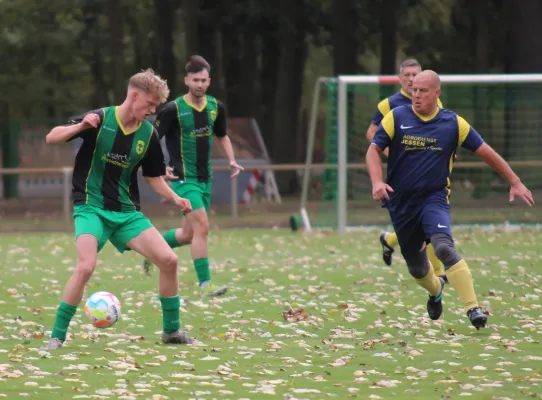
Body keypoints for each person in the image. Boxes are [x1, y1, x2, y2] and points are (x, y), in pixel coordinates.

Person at [366, 70, 534, 329]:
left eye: (423, 91)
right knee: (418, 269)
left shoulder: (453, 123)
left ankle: (473, 309)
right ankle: (435, 291)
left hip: (434, 198)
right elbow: (373, 150)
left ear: (437, 93)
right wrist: (377, 182)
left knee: (444, 248)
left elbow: (486, 152)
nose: (416, 95)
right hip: (402, 204)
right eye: (414, 90)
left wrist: (514, 180)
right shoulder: (396, 117)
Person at [43, 69, 195, 349]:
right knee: (86, 266)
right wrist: (80, 127)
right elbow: (52, 137)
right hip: (91, 207)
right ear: (134, 95)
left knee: (169, 261)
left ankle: (171, 333)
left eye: (156, 107)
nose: (152, 111)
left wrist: (174, 197)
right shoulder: (100, 119)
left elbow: (152, 176)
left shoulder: (148, 134)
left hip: (126, 213)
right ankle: (57, 336)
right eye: (150, 104)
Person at [142, 55, 243, 297]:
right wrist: (159, 166)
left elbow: (222, 135)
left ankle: (149, 250)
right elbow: (151, 137)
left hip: (204, 178)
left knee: (189, 235)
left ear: (209, 81)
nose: (199, 84)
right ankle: (205, 285)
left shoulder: (215, 107)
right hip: (183, 180)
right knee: (203, 227)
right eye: (195, 80)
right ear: (187, 81)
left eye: (204, 80)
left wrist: (231, 160)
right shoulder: (173, 109)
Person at [366, 59, 444, 275]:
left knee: (424, 219)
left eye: (415, 75)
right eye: (407, 75)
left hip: (427, 173)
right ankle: (436, 272)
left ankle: (391, 240)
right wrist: (392, 151)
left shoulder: (434, 104)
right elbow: (371, 133)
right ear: (400, 78)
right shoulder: (388, 104)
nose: (411, 79)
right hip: (401, 174)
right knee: (416, 220)